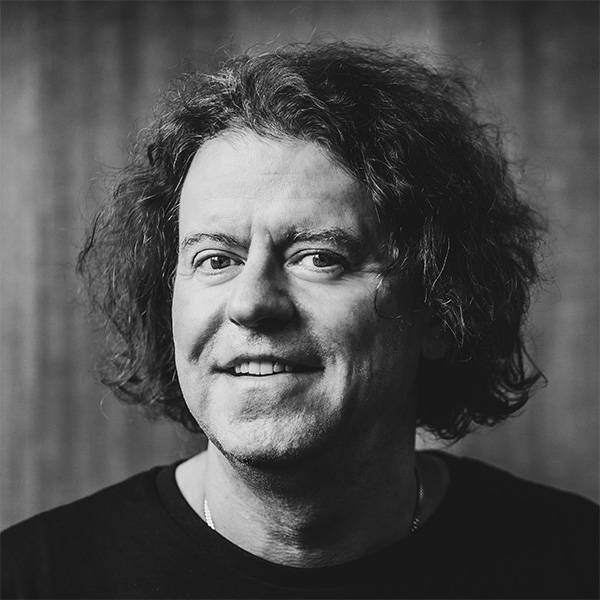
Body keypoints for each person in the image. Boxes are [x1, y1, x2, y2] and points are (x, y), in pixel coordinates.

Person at [1, 42, 598, 599]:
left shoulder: (577, 564)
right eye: (215, 259)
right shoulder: (32, 579)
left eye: (318, 257)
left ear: (443, 308)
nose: (250, 303)